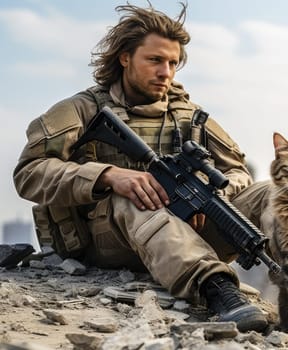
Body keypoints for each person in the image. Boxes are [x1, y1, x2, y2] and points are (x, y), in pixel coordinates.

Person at [12, 3, 271, 333]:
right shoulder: (81, 110)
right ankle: (219, 292)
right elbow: (29, 172)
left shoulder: (190, 116)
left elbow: (238, 173)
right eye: (155, 60)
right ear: (125, 58)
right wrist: (106, 176)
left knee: (276, 194)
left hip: (189, 231)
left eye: (173, 63)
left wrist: (205, 194)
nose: (166, 72)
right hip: (110, 242)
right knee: (139, 193)